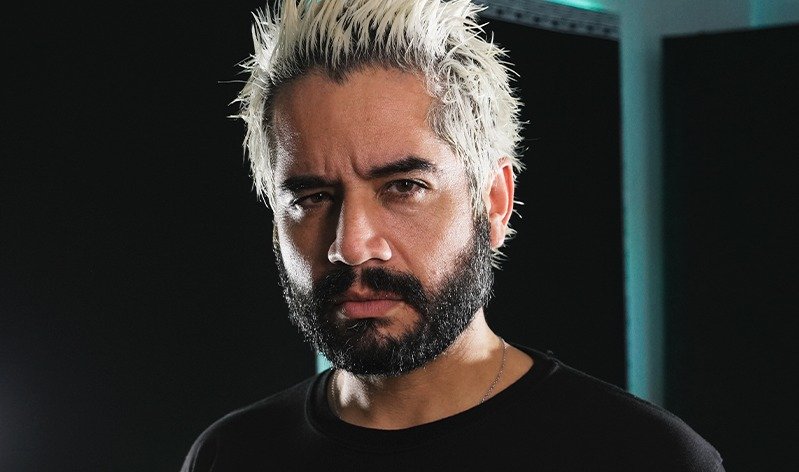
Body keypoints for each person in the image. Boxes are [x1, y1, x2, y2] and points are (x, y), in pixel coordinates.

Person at [180, 0, 725, 470]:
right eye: (311, 197)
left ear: (494, 202)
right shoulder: (231, 455)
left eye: (403, 187)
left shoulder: (644, 457)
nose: (351, 246)